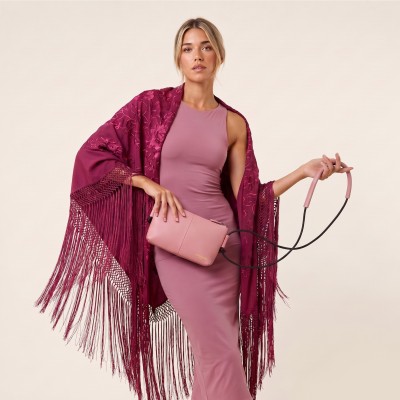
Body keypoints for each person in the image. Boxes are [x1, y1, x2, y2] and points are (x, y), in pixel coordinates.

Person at [35, 17, 353, 400]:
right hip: (176, 245)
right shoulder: (151, 106)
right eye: (188, 49)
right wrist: (146, 183)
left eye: (205, 47)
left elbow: (250, 199)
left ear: (219, 55)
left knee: (213, 357)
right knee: (220, 356)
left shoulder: (234, 124)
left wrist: (304, 171)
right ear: (178, 58)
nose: (197, 55)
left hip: (224, 248)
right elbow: (93, 154)